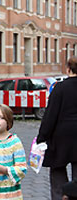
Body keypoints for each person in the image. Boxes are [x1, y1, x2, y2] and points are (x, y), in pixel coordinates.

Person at [36, 56, 77, 200]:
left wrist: (42, 137)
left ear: (68, 69)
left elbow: (50, 115)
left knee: (58, 172)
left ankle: (60, 197)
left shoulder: (60, 88)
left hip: (61, 138)